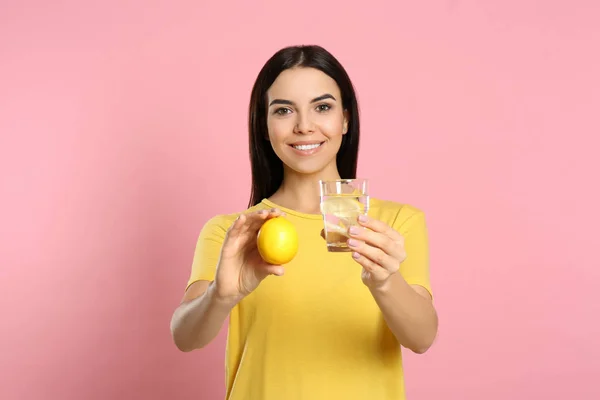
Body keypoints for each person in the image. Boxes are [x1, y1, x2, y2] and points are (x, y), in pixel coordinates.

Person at [170, 44, 438, 400]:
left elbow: (421, 339)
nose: (304, 126)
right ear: (264, 126)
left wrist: (385, 282)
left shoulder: (394, 224)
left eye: (322, 107)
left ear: (345, 119)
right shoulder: (235, 233)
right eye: (283, 111)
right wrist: (221, 296)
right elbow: (185, 337)